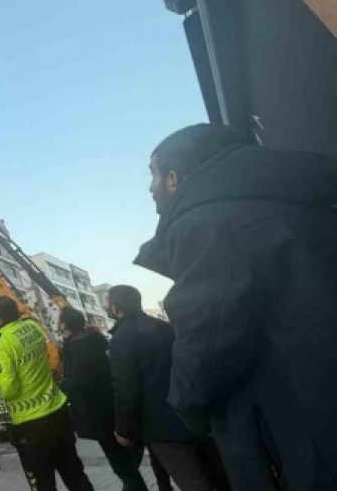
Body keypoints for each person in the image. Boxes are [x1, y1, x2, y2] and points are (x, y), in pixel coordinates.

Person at [135, 123, 337, 491]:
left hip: (297, 428)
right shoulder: (300, 203)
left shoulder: (205, 222)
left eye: (153, 174)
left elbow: (206, 344)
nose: (150, 188)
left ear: (174, 179)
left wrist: (186, 407)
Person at [106, 285, 229, 491]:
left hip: (160, 425)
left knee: (193, 482)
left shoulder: (121, 339)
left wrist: (123, 428)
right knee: (217, 476)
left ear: (115, 307)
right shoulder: (164, 327)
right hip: (190, 412)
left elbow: (126, 389)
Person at [0, 296, 94, 491]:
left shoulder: (1, 341)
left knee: (43, 482)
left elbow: (8, 388)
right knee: (74, 474)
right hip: (57, 412)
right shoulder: (32, 326)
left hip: (30, 424)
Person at [59, 307, 148, 491]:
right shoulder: (92, 340)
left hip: (98, 413)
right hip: (109, 408)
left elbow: (82, 381)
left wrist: (61, 385)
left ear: (64, 324)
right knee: (125, 461)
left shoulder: (78, 346)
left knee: (121, 464)